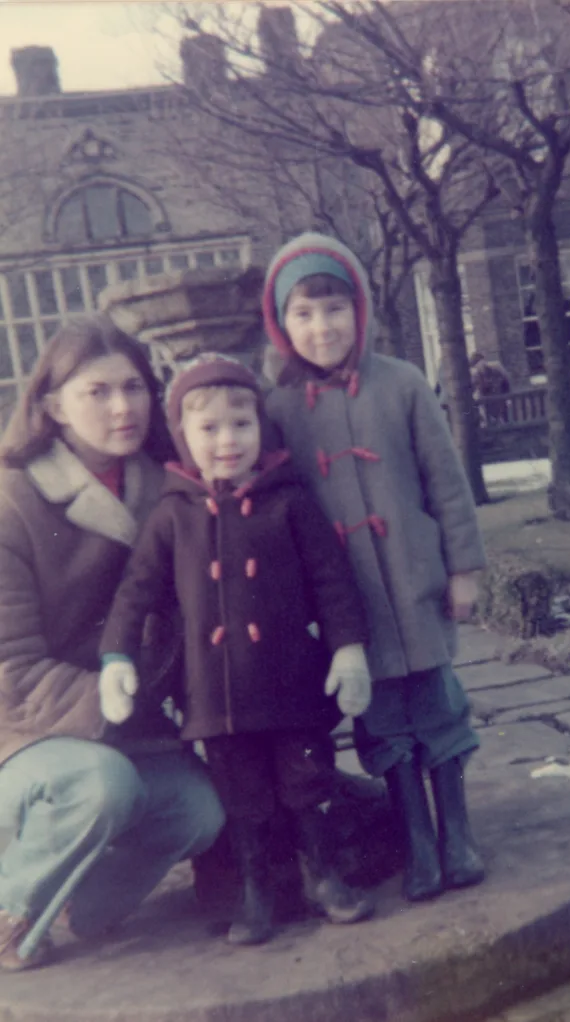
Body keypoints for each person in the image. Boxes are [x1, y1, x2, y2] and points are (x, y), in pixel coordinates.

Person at [99, 354, 375, 946]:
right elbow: (136, 591)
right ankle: (257, 891)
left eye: (241, 425)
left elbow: (332, 581)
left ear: (261, 428)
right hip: (217, 697)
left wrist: (348, 650)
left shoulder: (289, 500)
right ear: (183, 437)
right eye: (209, 429)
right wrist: (117, 657)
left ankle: (323, 877)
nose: (228, 442)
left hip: (292, 685)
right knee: (242, 797)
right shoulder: (172, 514)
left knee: (308, 781)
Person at [261, 232, 488, 904]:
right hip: (347, 603)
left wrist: (463, 569)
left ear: (358, 308)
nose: (321, 327)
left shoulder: (404, 383)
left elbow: (447, 482)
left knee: (438, 705)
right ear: (282, 325)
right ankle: (416, 839)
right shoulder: (277, 411)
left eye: (333, 308)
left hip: (417, 581)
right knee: (381, 718)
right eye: (302, 314)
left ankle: (457, 833)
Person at [0, 316, 225, 972]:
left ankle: (81, 907)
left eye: (134, 388)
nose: (122, 407)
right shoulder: (11, 500)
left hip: (126, 721)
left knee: (197, 810)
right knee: (102, 787)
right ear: (52, 406)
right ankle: (11, 903)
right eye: (96, 392)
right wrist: (133, 705)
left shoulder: (170, 487)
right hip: (25, 733)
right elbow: (8, 667)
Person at [469, 351, 512, 424]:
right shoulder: (476, 376)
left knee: (503, 417)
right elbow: (476, 391)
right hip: (488, 403)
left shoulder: (496, 368)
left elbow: (506, 382)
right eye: (477, 365)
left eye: (481, 362)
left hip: (499, 400)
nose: (480, 366)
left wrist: (508, 398)